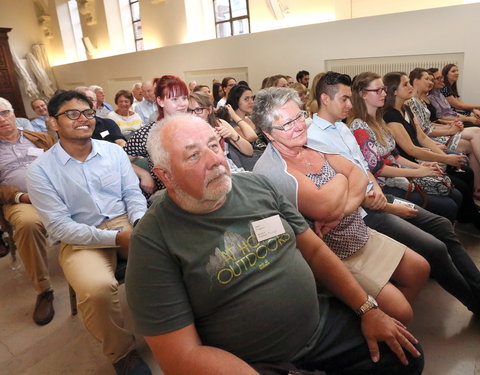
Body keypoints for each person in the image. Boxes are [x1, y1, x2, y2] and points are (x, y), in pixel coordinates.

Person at [126, 113, 424, 375]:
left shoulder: (256, 187)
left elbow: (315, 250)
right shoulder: (153, 242)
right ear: (165, 175)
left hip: (321, 328)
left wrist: (367, 308)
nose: (215, 160)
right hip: (253, 362)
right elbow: (181, 356)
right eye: (193, 156)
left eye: (214, 145)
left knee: (408, 359)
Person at [252, 87, 429, 323]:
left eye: (299, 116)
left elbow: (359, 175)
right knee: (402, 312)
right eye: (286, 124)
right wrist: (343, 177)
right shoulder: (273, 171)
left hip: (358, 231)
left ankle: (381, 325)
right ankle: (376, 326)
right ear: (268, 133)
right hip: (333, 254)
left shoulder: (310, 143)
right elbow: (327, 205)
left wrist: (341, 209)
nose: (298, 126)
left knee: (421, 269)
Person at [27, 90, 150, 375]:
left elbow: (132, 193)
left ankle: (176, 325)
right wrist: (116, 239)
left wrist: (140, 221)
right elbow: (59, 226)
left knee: (169, 256)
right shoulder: (40, 171)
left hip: (123, 222)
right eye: (72, 114)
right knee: (96, 290)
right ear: (53, 123)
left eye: (88, 113)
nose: (83, 119)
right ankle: (122, 354)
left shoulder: (113, 152)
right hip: (79, 237)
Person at [345, 72, 480, 315]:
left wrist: (421, 167)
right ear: (363, 95)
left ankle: (476, 291)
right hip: (385, 188)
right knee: (443, 225)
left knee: (443, 223)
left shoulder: (378, 120)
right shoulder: (359, 125)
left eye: (384, 90)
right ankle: (475, 297)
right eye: (378, 91)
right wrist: (419, 173)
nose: (384, 94)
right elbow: (376, 167)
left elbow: (395, 156)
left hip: (395, 180)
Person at [383, 71, 480, 228]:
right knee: (458, 187)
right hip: (410, 163)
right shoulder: (390, 116)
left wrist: (444, 156)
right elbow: (412, 149)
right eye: (405, 84)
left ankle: (468, 215)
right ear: (394, 91)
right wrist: (445, 159)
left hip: (420, 159)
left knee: (465, 172)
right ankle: (470, 218)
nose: (410, 87)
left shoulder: (406, 109)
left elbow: (423, 138)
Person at [0, 97, 56, 325]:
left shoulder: (38, 138)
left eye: (4, 113)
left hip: (55, 192)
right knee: (27, 224)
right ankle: (44, 291)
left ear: (14, 114)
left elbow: (62, 161)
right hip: (20, 202)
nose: (1, 119)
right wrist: (20, 196)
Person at [408, 68, 480, 195]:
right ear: (416, 81)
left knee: (474, 140)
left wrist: (450, 127)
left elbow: (430, 124)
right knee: (476, 133)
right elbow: (424, 132)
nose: (430, 82)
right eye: (427, 79)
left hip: (432, 135)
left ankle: (477, 188)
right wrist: (449, 129)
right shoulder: (412, 102)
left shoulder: (421, 101)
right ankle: (476, 188)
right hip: (431, 139)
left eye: (431, 80)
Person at [125, 75, 188, 199]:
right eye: (174, 99)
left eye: (184, 98)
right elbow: (119, 159)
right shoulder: (148, 133)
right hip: (167, 198)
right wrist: (143, 174)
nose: (182, 104)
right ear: (160, 101)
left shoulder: (196, 128)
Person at [188, 91, 252, 171]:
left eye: (198, 110)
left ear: (210, 110)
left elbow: (249, 151)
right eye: (189, 111)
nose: (193, 115)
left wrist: (233, 136)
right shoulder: (185, 133)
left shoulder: (219, 123)